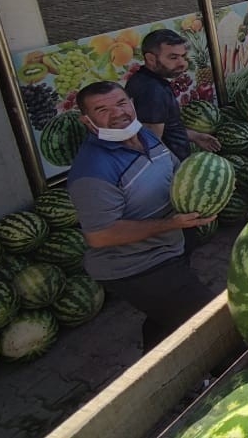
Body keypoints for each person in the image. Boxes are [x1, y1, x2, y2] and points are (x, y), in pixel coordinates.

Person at [66, 81, 216, 350]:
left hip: (169, 247)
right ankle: (224, 378)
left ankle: (163, 380)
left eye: (121, 103)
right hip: (136, 266)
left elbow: (175, 173)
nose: (118, 113)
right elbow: (100, 235)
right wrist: (170, 224)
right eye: (102, 110)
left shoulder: (144, 135)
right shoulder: (92, 171)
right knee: (210, 324)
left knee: (166, 318)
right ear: (87, 121)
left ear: (132, 104)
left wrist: (211, 188)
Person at [125, 29, 219, 161]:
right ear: (151, 59)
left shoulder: (143, 79)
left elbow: (166, 129)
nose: (182, 63)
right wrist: (175, 170)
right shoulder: (153, 91)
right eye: (173, 57)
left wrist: (195, 136)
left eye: (183, 56)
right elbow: (152, 144)